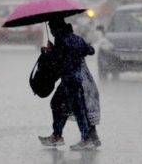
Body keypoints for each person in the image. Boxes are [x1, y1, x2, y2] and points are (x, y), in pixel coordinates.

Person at [38, 18, 101, 150]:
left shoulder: (62, 40)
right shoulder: (75, 38)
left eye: (51, 28)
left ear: (56, 28)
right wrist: (77, 51)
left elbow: (57, 60)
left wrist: (48, 52)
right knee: (61, 105)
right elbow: (90, 50)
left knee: (76, 108)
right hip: (79, 79)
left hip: (70, 80)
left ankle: (85, 138)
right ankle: (58, 135)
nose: (51, 31)